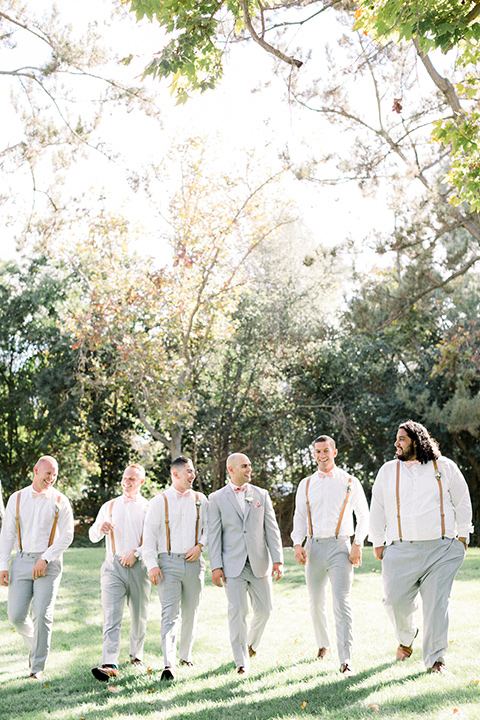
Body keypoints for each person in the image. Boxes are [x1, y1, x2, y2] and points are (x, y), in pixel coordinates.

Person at [369, 420, 473, 674]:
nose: (396, 443)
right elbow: (378, 508)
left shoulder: (444, 467)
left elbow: (462, 501)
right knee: (393, 603)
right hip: (399, 549)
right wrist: (378, 542)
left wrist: (462, 538)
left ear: (416, 440)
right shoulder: (387, 471)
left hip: (441, 550)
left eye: (401, 438)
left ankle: (436, 661)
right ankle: (407, 637)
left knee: (437, 605)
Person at [291, 435, 369, 677]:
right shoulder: (305, 484)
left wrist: (358, 543)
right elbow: (300, 517)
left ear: (334, 452)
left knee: (341, 601)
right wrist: (297, 543)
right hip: (313, 547)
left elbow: (363, 515)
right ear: (313, 454)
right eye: (317, 451)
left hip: (340, 547)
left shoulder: (349, 481)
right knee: (315, 602)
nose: (321, 455)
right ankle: (323, 644)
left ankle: (345, 659)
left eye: (325, 450)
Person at [208, 452, 284, 676]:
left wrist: (278, 559)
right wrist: (216, 566)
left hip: (260, 562)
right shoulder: (216, 498)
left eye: (250, 465)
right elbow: (214, 534)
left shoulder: (261, 494)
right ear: (231, 469)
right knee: (238, 612)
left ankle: (251, 645)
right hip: (233, 565)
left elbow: (271, 529)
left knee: (266, 609)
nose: (249, 469)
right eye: (244, 466)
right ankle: (241, 661)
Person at [0, 455, 74, 680]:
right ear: (35, 470)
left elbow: (68, 535)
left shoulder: (61, 501)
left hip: (49, 564)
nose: (51, 478)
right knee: (15, 615)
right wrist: (3, 564)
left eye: (55, 475)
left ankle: (37, 667)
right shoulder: (17, 498)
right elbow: (8, 533)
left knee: (42, 614)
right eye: (47, 473)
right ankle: (36, 644)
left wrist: (46, 558)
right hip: (21, 560)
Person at [142, 456, 208, 681]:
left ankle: (185, 657)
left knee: (191, 611)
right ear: (176, 474)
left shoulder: (201, 499)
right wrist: (151, 565)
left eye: (193, 471)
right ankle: (168, 664)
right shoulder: (159, 501)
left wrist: (201, 546)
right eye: (189, 471)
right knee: (169, 614)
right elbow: (148, 536)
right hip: (167, 563)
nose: (193, 475)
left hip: (194, 563)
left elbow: (210, 529)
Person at [89, 463, 150, 681]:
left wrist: (136, 553)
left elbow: (154, 540)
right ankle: (109, 663)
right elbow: (92, 535)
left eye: (132, 479)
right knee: (111, 615)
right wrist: (100, 528)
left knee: (139, 614)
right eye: (125, 477)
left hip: (139, 567)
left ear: (141, 482)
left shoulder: (148, 507)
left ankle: (136, 655)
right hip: (112, 566)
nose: (127, 482)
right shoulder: (109, 506)